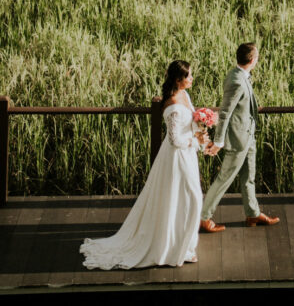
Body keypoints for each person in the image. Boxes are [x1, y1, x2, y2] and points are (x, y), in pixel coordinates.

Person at [80, 60, 209, 269]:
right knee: (189, 198)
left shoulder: (185, 95)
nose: (192, 78)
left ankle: (185, 246)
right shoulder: (174, 105)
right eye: (189, 76)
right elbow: (175, 140)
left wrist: (202, 132)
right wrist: (197, 141)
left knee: (187, 199)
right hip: (177, 158)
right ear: (178, 80)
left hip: (188, 156)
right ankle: (175, 247)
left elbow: (191, 124)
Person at [200, 42, 279, 232]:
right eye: (257, 57)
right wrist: (219, 141)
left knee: (248, 177)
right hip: (237, 138)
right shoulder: (236, 80)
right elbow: (225, 112)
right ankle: (204, 217)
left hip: (248, 136)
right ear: (252, 60)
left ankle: (252, 214)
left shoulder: (242, 76)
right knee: (224, 178)